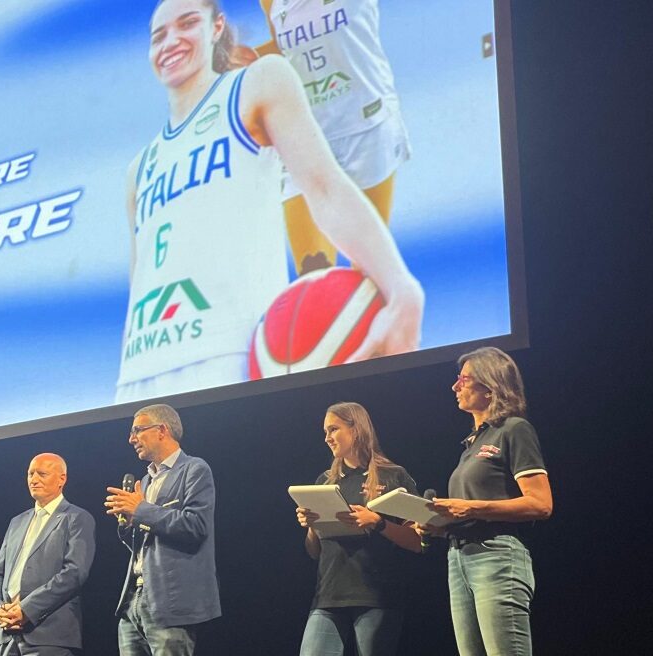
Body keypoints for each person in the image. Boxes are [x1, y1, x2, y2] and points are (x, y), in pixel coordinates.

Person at [116, 0, 424, 402]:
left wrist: (401, 287)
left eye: (187, 24)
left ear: (216, 27)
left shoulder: (256, 85)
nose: (170, 41)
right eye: (159, 36)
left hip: (229, 355)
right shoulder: (138, 169)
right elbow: (139, 284)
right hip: (139, 377)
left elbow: (324, 187)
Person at [419, 347, 553, 656]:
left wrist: (470, 506)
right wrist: (435, 524)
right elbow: (466, 514)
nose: (455, 385)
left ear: (490, 384)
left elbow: (541, 504)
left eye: (464, 378)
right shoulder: (471, 444)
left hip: (497, 557)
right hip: (458, 560)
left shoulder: (514, 429)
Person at [291, 402, 422, 656]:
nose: (328, 437)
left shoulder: (394, 477)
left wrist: (377, 523)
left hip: (377, 597)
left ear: (356, 428)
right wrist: (311, 527)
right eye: (325, 432)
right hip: (328, 596)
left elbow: (418, 543)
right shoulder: (325, 481)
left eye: (334, 429)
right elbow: (314, 551)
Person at [253, 0, 410, 276]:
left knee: (370, 273)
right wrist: (244, 60)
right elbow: (284, 48)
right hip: (305, 138)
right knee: (313, 279)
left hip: (366, 126)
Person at [104, 403, 220, 656]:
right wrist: (127, 523)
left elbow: (196, 526)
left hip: (170, 602)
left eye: (137, 430)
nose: (131, 439)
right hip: (133, 604)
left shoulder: (194, 470)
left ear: (162, 430)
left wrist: (141, 509)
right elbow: (142, 541)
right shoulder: (143, 481)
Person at [0, 453, 96, 656]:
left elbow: (75, 573)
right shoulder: (17, 521)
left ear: (62, 479)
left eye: (42, 474)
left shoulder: (76, 518)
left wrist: (28, 608)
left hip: (49, 633)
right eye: (30, 473)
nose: (33, 479)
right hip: (6, 633)